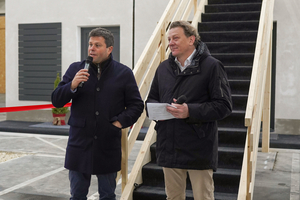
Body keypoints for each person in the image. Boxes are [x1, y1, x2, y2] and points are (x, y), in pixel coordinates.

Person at [51, 27, 144, 200]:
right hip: (79, 145)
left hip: (107, 144)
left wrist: (118, 123)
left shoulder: (123, 73)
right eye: (90, 44)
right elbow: (56, 100)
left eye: (97, 45)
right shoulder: (75, 69)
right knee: (77, 195)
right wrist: (72, 85)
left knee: (108, 195)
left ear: (109, 49)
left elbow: (136, 105)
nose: (91, 48)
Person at [146, 21, 232, 200]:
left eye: (176, 38)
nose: (171, 43)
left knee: (203, 197)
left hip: (198, 147)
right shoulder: (163, 68)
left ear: (191, 39)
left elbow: (223, 105)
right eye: (169, 39)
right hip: (168, 145)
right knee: (173, 197)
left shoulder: (212, 66)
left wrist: (189, 111)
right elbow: (151, 100)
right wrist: (157, 112)